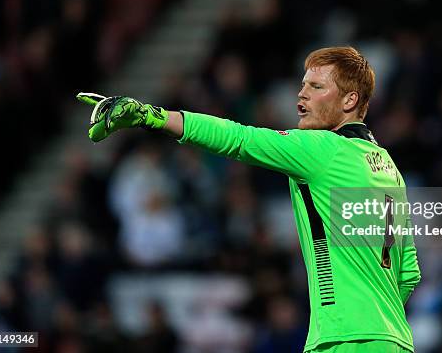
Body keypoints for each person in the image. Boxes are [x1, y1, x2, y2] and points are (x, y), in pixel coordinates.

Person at [77, 46, 421, 353]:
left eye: (316, 87)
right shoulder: (389, 169)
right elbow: (408, 275)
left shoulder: (323, 149)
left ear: (349, 101)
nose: (301, 94)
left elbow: (238, 138)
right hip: (391, 338)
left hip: (346, 338)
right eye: (303, 84)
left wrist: (152, 116)